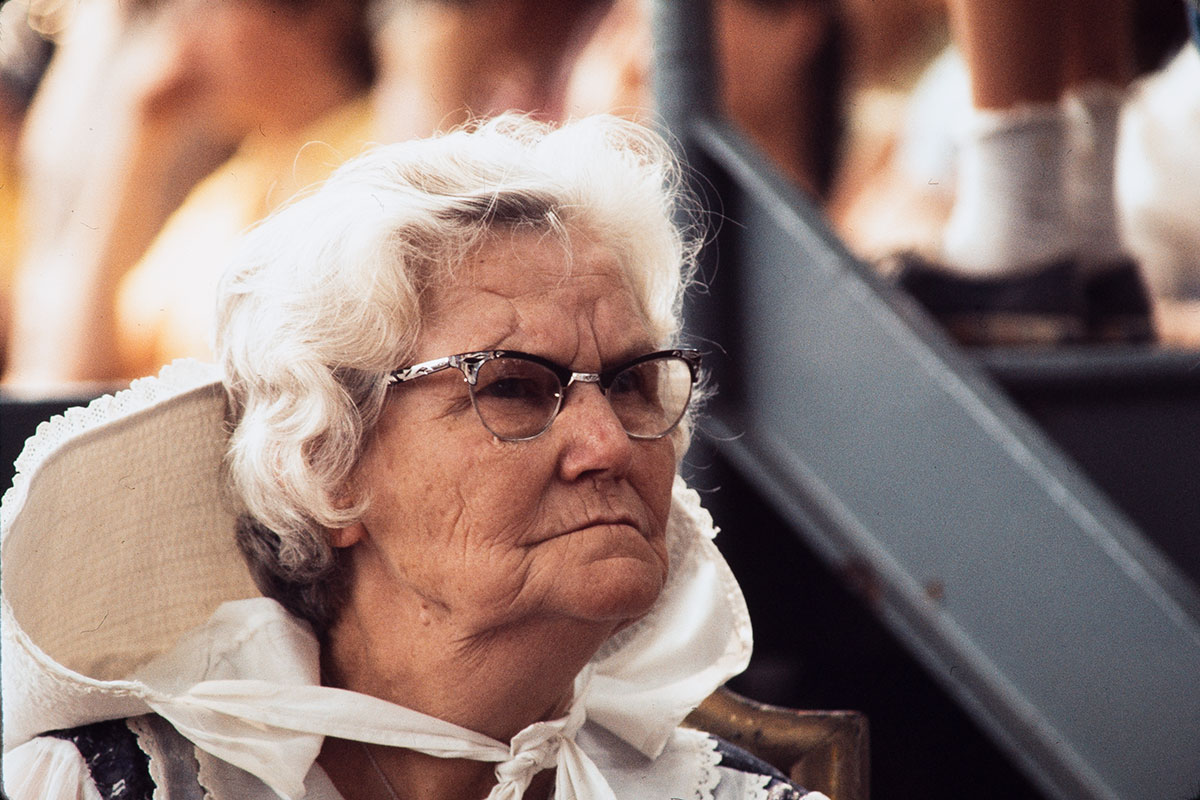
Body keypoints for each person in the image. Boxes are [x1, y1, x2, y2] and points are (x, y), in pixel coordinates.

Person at [1, 115, 825, 800]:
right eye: (512, 387)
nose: (607, 443)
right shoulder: (106, 786)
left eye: (633, 382)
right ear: (328, 467)